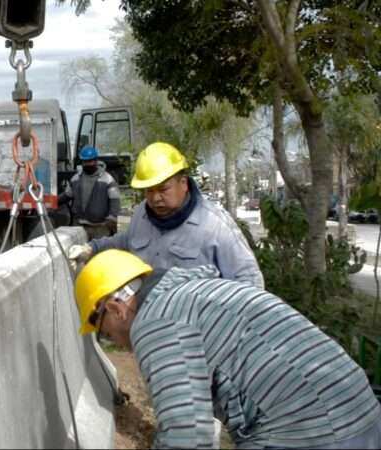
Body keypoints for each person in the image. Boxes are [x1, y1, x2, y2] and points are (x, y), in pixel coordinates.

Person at [76, 249, 381, 448]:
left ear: (116, 308)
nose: (116, 343)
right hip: (357, 410)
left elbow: (187, 435)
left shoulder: (157, 322)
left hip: (313, 431)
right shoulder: (190, 294)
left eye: (106, 334)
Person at [68, 142, 264, 288]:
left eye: (163, 189)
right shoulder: (142, 215)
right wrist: (90, 248)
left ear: (184, 183)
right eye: (149, 191)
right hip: (149, 329)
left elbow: (249, 281)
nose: (155, 198)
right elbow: (124, 241)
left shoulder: (214, 225)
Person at [58, 145, 120, 240]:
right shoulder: (76, 179)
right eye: (85, 161)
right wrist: (53, 202)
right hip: (79, 226)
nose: (88, 164)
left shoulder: (107, 179)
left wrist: (112, 217)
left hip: (101, 228)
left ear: (96, 161)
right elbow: (67, 195)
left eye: (90, 161)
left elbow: (115, 200)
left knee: (100, 253)